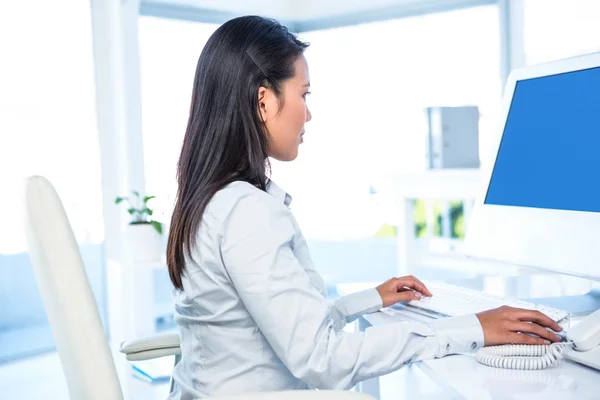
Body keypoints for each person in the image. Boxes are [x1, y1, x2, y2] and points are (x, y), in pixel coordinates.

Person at [165, 15, 563, 399]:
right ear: (264, 101)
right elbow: (324, 360)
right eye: (304, 95)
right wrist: (470, 328)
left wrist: (370, 299)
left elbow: (282, 326)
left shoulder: (213, 200)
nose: (309, 113)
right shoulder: (246, 213)